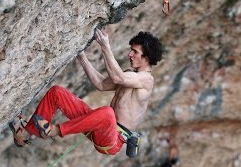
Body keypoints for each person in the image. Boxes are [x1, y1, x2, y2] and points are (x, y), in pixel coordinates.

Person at [9, 28, 163, 156]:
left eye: (135, 52)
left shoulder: (146, 80)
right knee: (57, 93)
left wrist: (105, 46)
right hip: (97, 127)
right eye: (131, 50)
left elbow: (117, 77)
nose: (130, 54)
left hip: (112, 141)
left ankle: (54, 131)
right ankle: (25, 134)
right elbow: (101, 84)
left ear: (146, 58)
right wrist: (81, 56)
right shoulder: (131, 75)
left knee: (108, 112)